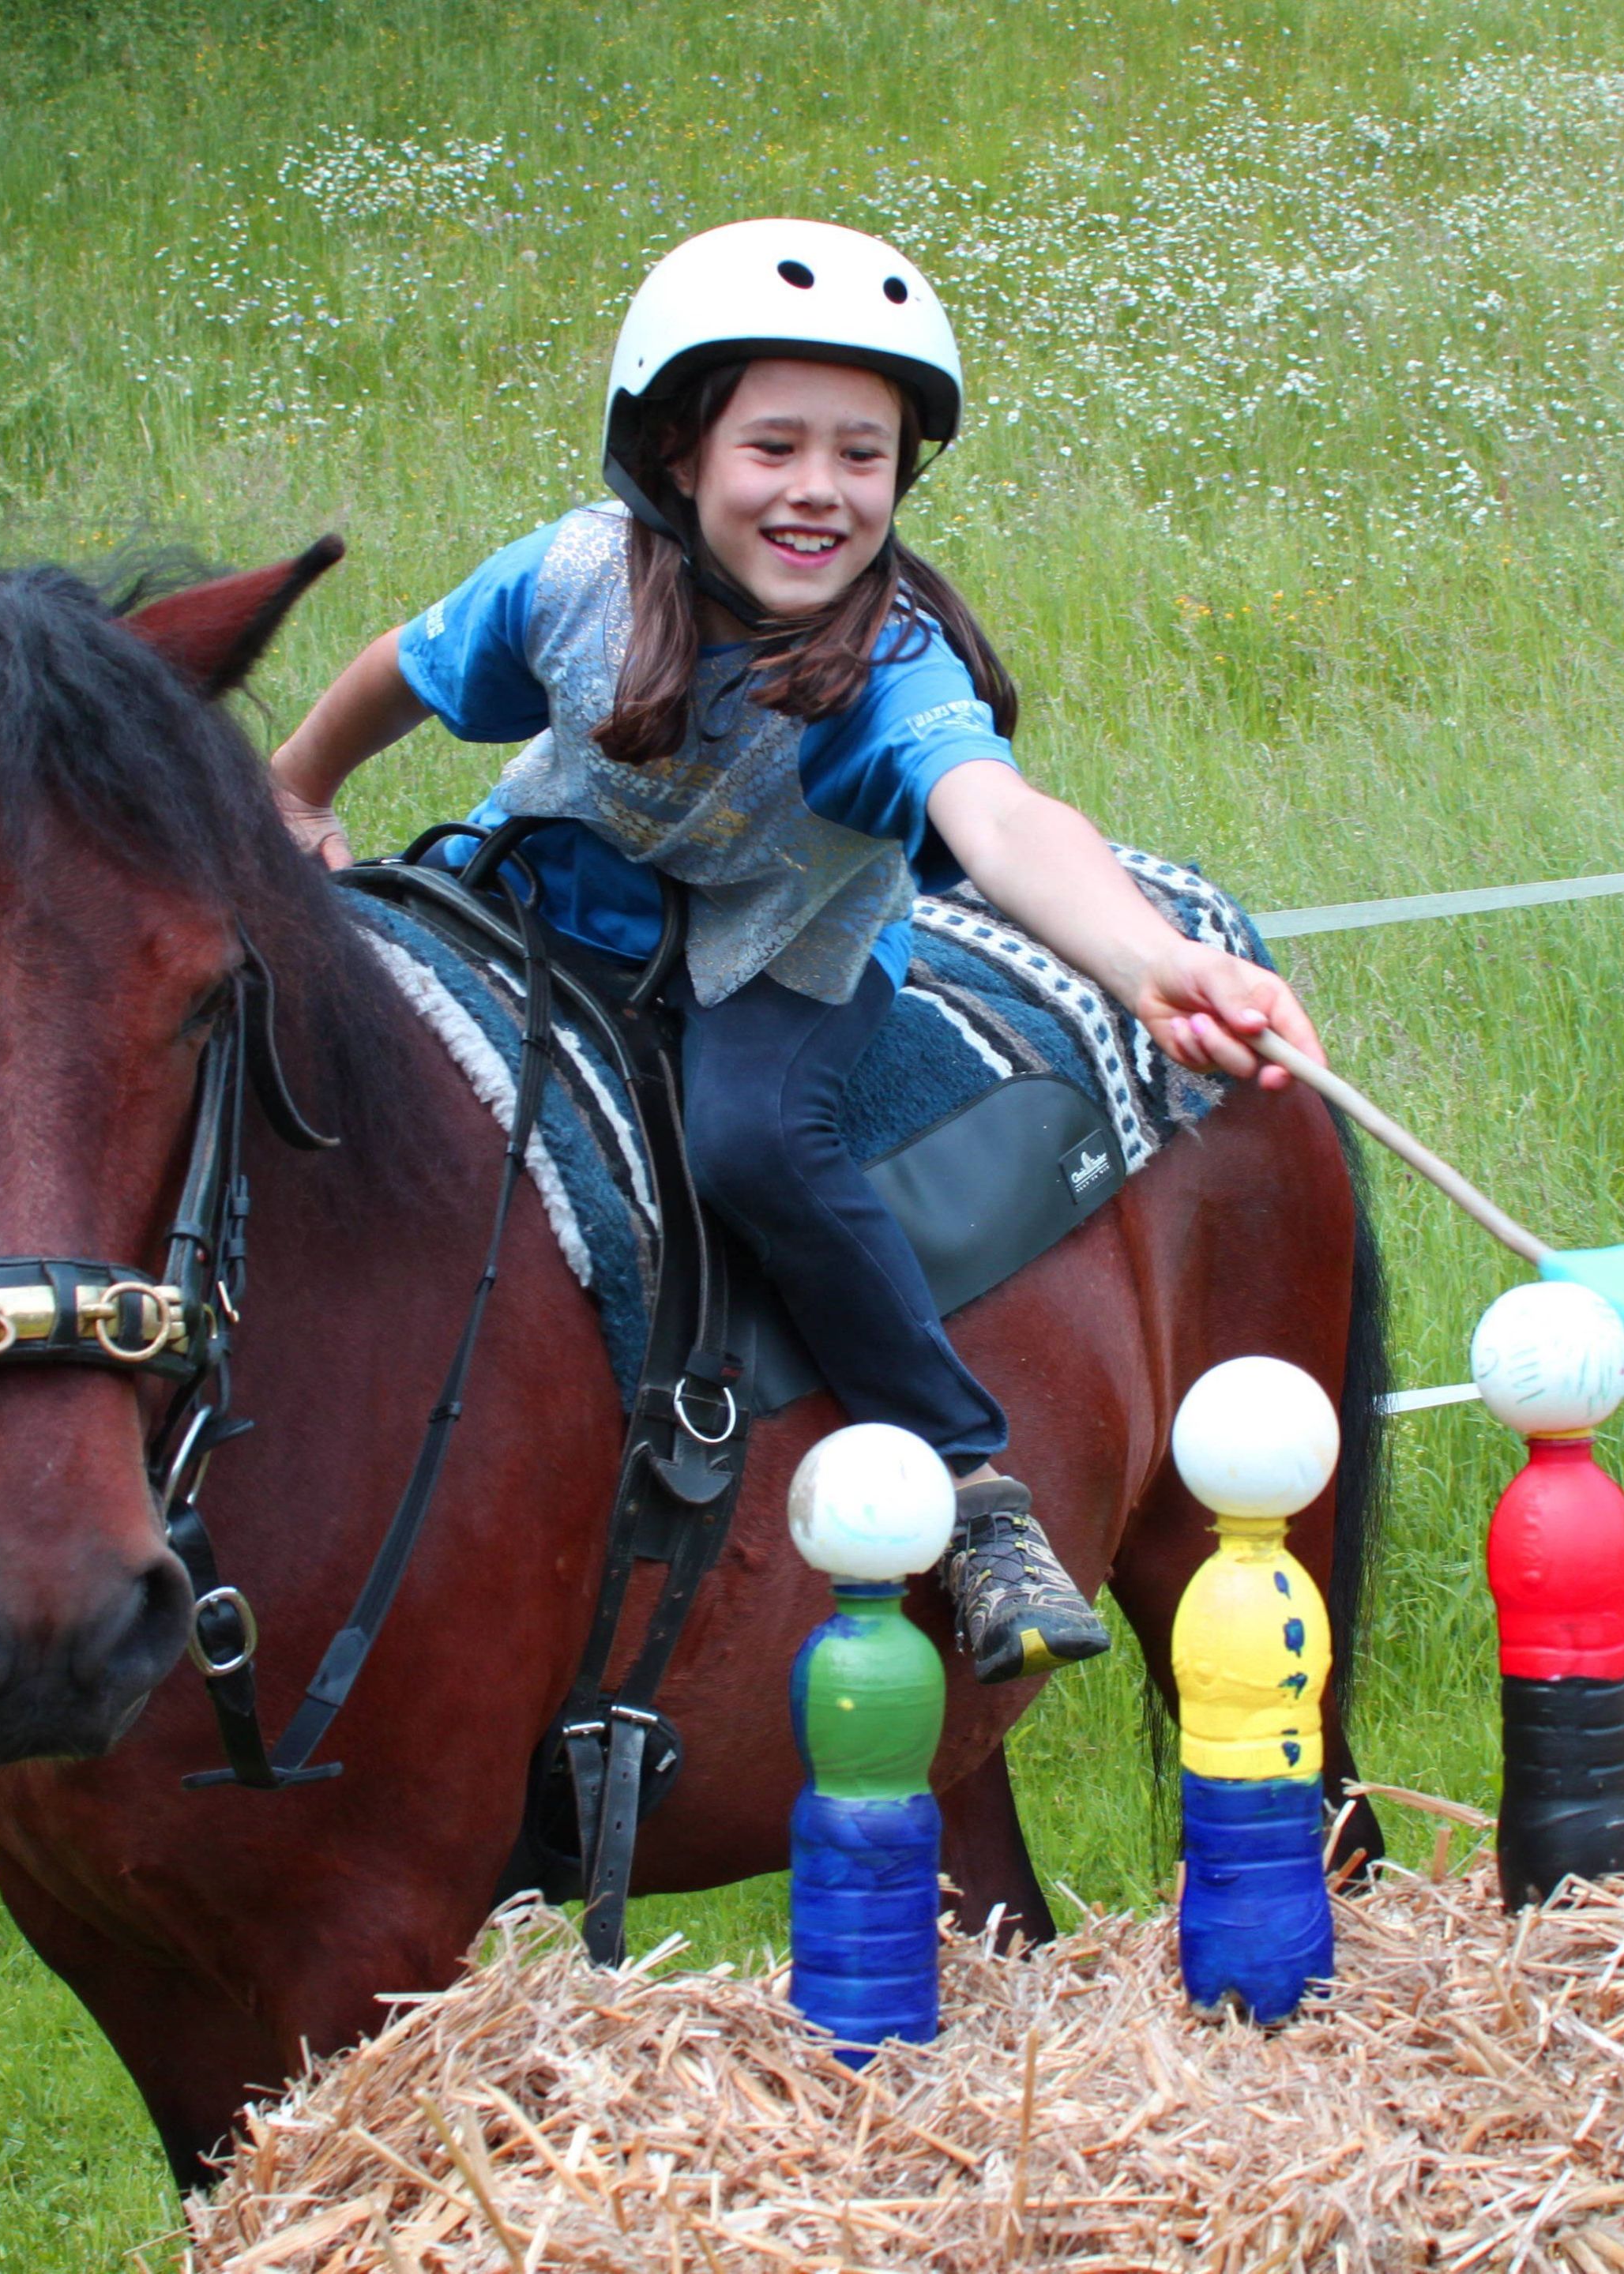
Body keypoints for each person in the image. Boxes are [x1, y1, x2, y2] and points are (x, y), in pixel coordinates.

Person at [268, 218, 1328, 1683]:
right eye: (775, 446)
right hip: (547, 898)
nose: (820, 491)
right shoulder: (572, 577)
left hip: (780, 953)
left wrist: (1152, 962)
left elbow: (1004, 825)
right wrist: (294, 788)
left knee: (756, 1138)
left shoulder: (892, 668)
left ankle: (971, 1483)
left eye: (864, 454)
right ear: (680, 451)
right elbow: (410, 667)